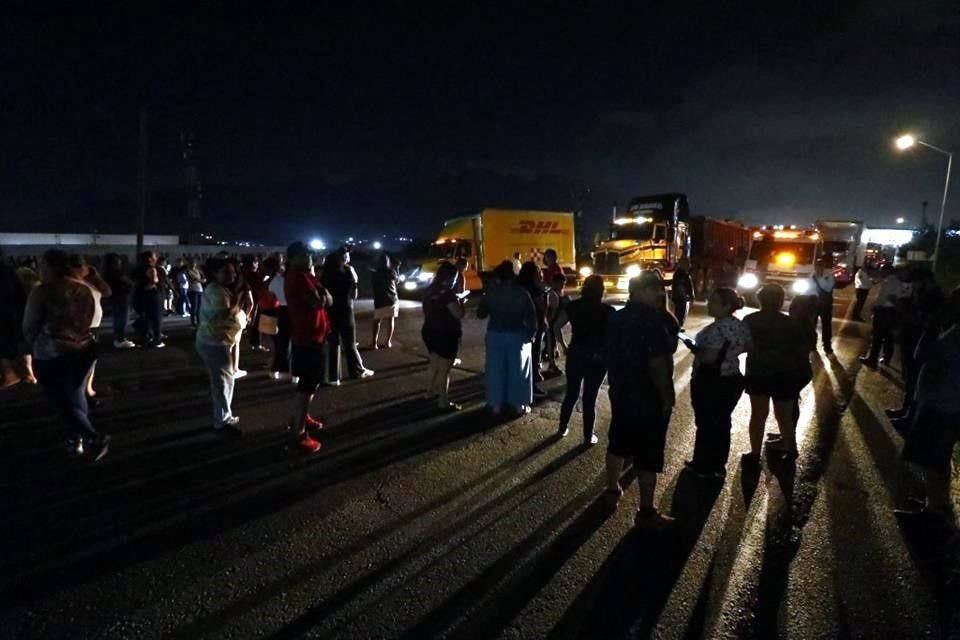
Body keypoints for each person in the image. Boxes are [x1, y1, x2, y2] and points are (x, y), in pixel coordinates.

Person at [605, 272, 678, 528]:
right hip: (647, 395)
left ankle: (611, 491)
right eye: (655, 290)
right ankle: (646, 512)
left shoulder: (616, 317)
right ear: (644, 290)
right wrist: (666, 396)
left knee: (618, 441)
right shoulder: (652, 322)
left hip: (621, 390)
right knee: (648, 452)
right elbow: (657, 364)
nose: (659, 294)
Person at [23, 249, 109, 460]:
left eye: (43, 264)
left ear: (50, 266)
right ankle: (77, 438)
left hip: (53, 352)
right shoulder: (85, 289)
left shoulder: (43, 291)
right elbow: (94, 317)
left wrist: (32, 342)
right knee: (76, 395)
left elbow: (30, 324)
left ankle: (92, 436)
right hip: (84, 348)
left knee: (61, 399)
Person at [895, 287, 960, 522]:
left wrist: (932, 326)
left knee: (931, 458)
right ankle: (936, 502)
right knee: (937, 457)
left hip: (942, 404)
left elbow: (922, 353)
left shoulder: (955, 334)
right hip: (945, 402)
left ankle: (934, 511)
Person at [684, 288, 752, 479]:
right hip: (732, 379)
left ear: (726, 306)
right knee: (722, 422)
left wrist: (694, 349)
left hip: (711, 381)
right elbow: (748, 346)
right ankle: (718, 465)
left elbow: (709, 358)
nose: (709, 304)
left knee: (706, 423)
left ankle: (702, 464)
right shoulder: (739, 326)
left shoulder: (716, 330)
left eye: (714, 302)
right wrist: (731, 354)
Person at [741, 284, 812, 462]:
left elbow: (742, 345)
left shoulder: (750, 320)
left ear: (760, 300)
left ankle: (754, 453)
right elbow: (801, 351)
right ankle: (790, 449)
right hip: (785, 374)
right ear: (781, 301)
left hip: (758, 372)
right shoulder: (791, 323)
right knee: (784, 416)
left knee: (758, 414)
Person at [285, 242, 333, 453]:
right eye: (305, 255)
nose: (310, 258)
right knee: (306, 387)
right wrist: (322, 295)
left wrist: (322, 295)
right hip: (307, 338)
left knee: (310, 384)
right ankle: (299, 433)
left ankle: (301, 418)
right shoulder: (299, 277)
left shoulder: (308, 276)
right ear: (293, 258)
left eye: (310, 255)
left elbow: (327, 299)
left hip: (314, 337)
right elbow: (319, 303)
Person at [555, 275, 614, 445]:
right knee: (590, 397)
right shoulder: (608, 311)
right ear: (601, 291)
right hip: (597, 357)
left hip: (576, 353)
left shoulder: (573, 306)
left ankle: (562, 428)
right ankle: (588, 436)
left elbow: (556, 326)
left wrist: (564, 346)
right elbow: (612, 338)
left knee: (571, 394)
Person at [477, 261, 537, 415]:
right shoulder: (522, 293)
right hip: (517, 335)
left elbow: (481, 313)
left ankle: (495, 404)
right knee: (518, 371)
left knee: (495, 370)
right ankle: (519, 405)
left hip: (495, 334)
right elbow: (531, 316)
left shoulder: (492, 292)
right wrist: (531, 335)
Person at [195, 258, 246, 436]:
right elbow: (224, 315)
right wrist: (239, 302)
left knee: (226, 380)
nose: (232, 274)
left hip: (215, 342)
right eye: (226, 272)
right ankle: (221, 422)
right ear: (215, 274)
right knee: (222, 383)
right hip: (213, 343)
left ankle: (225, 416)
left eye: (233, 271)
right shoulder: (216, 291)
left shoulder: (218, 289)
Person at [322, 248, 373, 380]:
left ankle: (333, 375)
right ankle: (356, 371)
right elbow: (354, 294)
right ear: (343, 257)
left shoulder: (325, 272)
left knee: (332, 343)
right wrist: (355, 281)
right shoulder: (348, 270)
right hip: (345, 309)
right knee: (349, 343)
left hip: (330, 310)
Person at [421, 262, 465, 410]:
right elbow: (458, 314)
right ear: (449, 277)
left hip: (429, 330)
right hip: (446, 333)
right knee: (445, 369)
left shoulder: (429, 290)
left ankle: (429, 392)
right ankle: (443, 401)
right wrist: (461, 302)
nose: (455, 281)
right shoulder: (447, 293)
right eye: (455, 278)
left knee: (434, 363)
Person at [67, 255, 111, 401]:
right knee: (81, 362)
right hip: (79, 328)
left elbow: (107, 291)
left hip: (93, 327)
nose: (87, 268)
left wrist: (95, 275)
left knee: (91, 361)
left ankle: (87, 389)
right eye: (84, 266)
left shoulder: (90, 282)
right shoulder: (69, 284)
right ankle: (80, 394)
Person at [860, 265, 906, 368]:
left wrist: (876, 306)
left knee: (877, 337)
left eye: (883, 270)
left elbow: (887, 297)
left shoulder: (889, 282)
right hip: (890, 312)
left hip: (884, 312)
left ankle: (872, 360)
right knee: (888, 338)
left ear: (887, 271)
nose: (881, 272)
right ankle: (886, 359)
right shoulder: (896, 281)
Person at [517, 261, 548, 397]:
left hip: (520, 325)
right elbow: (541, 307)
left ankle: (522, 384)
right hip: (535, 324)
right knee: (534, 354)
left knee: (522, 358)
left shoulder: (518, 286)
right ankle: (532, 385)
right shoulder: (536, 288)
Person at [0, 257, 31, 388]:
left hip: (6, 316)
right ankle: (27, 373)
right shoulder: (9, 273)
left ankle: (10, 375)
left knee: (4, 348)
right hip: (14, 315)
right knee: (15, 346)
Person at [267, 257, 293, 381]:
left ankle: (276, 369)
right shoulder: (296, 279)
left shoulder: (276, 280)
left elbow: (270, 294)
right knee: (297, 343)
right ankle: (295, 372)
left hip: (281, 311)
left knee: (282, 343)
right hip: (296, 311)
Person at [103, 253, 136, 349]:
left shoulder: (107, 273)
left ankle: (119, 338)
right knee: (122, 319)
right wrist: (129, 285)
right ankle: (120, 339)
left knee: (118, 319)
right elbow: (128, 284)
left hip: (116, 298)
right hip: (121, 298)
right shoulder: (116, 274)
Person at [133, 251, 165, 348]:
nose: (156, 257)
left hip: (141, 296)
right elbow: (154, 282)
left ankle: (143, 338)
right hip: (154, 296)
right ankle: (157, 340)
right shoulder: (155, 269)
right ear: (150, 258)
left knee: (145, 316)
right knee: (156, 318)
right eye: (155, 256)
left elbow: (136, 283)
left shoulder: (137, 270)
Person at [371, 252, 400, 349]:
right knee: (390, 320)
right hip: (392, 299)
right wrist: (397, 268)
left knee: (377, 321)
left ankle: (374, 343)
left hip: (380, 299)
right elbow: (397, 281)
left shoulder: (375, 273)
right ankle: (388, 342)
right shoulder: (391, 272)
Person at [545, 271, 568, 376]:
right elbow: (552, 312)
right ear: (555, 283)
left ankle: (552, 364)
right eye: (561, 283)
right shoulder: (553, 294)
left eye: (564, 283)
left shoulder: (558, 293)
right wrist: (549, 322)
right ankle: (551, 365)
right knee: (551, 344)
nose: (563, 286)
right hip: (552, 323)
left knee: (552, 344)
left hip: (554, 323)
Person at [810, 260, 836, 354]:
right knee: (812, 325)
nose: (818, 268)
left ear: (823, 267)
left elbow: (828, 288)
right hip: (814, 303)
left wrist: (819, 279)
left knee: (826, 325)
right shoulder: (812, 275)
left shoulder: (828, 276)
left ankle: (827, 346)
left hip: (825, 304)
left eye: (820, 266)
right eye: (816, 266)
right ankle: (812, 345)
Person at [671, 257, 695, 329]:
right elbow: (687, 286)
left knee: (680, 312)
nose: (689, 265)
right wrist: (691, 296)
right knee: (681, 313)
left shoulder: (680, 273)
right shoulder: (682, 274)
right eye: (687, 263)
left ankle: (678, 326)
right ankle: (678, 326)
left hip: (680, 297)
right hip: (682, 297)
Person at [186, 259, 205, 328]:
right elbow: (193, 280)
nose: (193, 265)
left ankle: (199, 321)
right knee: (194, 307)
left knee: (199, 307)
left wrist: (200, 279)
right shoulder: (189, 271)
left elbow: (202, 278)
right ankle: (193, 321)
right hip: (192, 290)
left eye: (194, 263)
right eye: (191, 263)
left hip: (199, 290)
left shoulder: (197, 271)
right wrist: (201, 280)